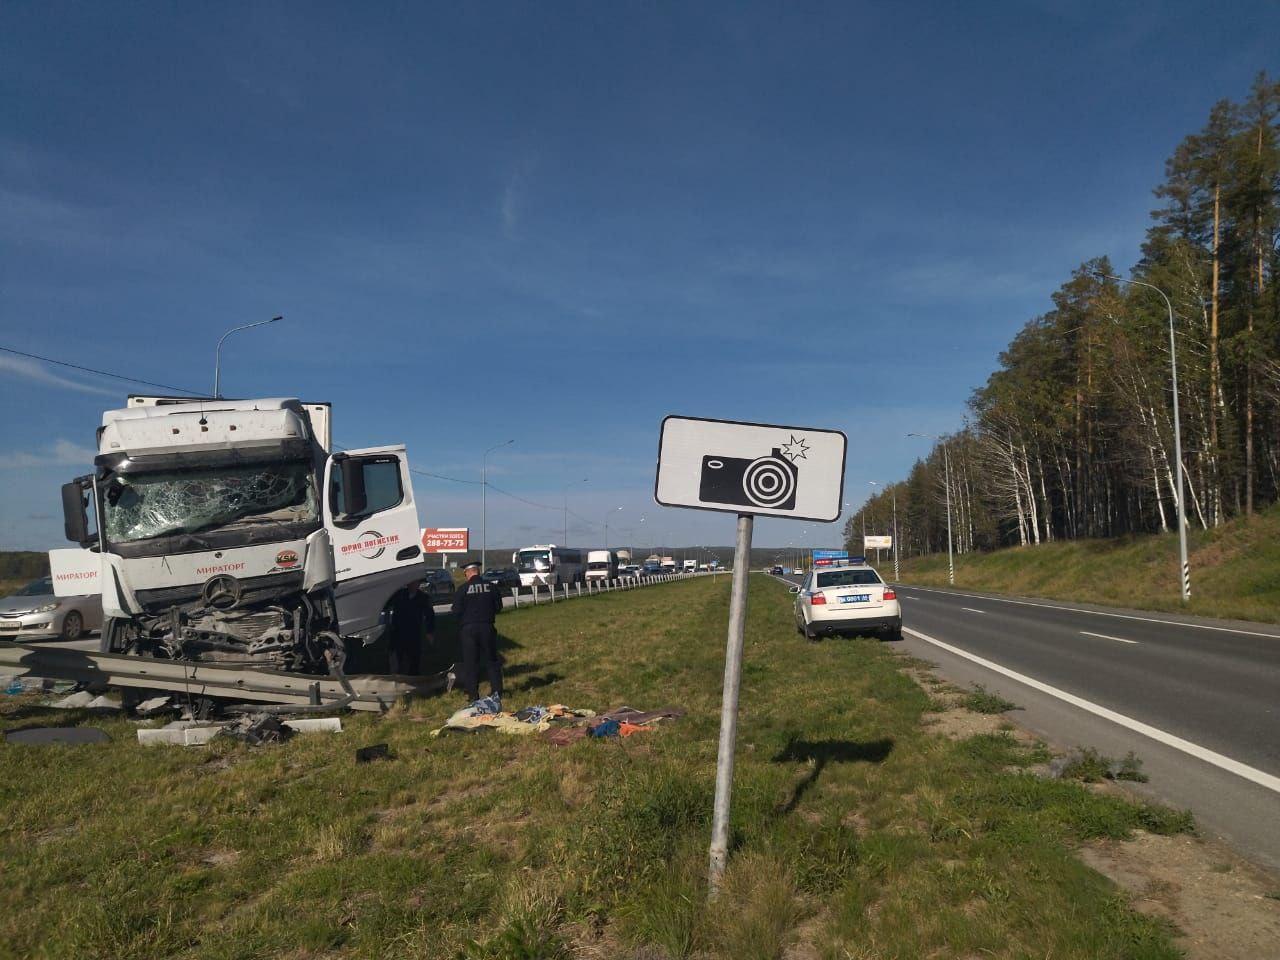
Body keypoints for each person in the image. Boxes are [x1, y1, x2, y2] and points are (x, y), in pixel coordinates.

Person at [451, 560, 504, 704]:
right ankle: (497, 692)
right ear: (478, 571)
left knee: (470, 662)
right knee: (492, 660)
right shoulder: (491, 587)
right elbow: (498, 607)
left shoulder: (462, 589)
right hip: (487, 627)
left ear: (467, 573)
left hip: (468, 629)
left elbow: (455, 611)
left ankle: (473, 694)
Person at [388, 581, 435, 675]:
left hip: (414, 631)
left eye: (416, 583)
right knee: (397, 656)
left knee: (414, 657)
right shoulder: (399, 594)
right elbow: (387, 605)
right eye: (412, 583)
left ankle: (414, 676)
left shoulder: (423, 597)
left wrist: (429, 631)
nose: (413, 585)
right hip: (398, 631)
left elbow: (430, 615)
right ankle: (397, 675)